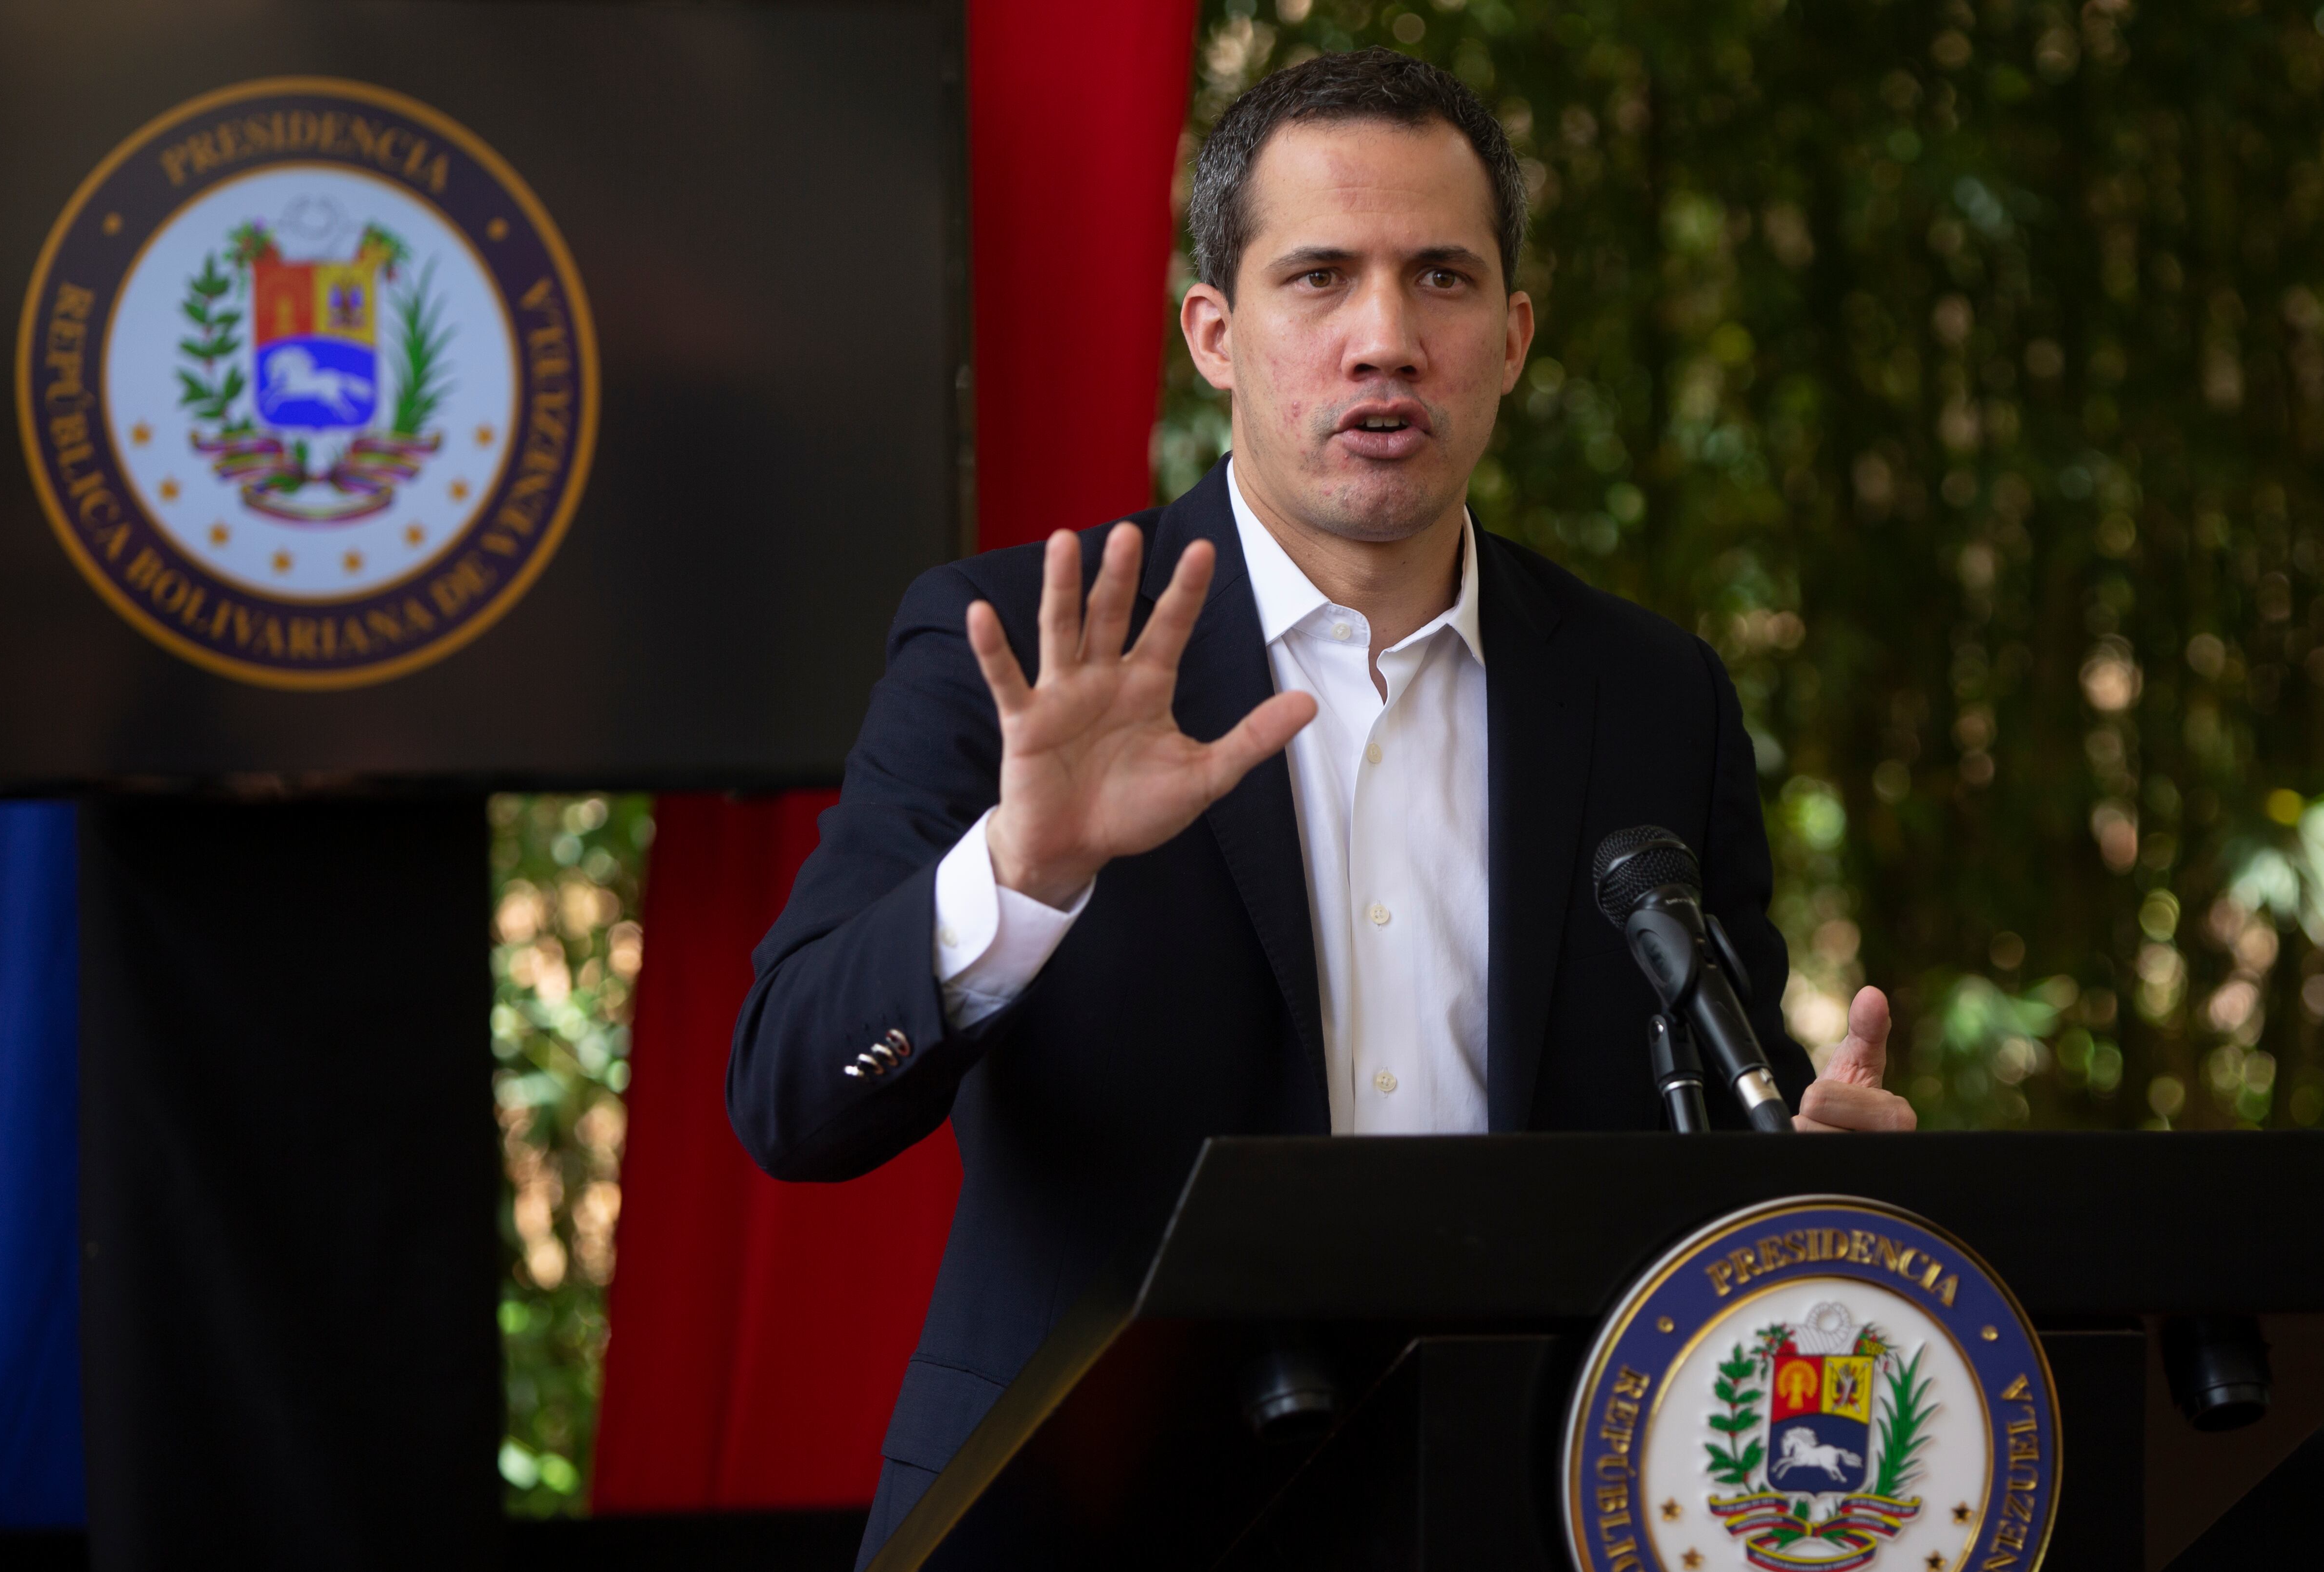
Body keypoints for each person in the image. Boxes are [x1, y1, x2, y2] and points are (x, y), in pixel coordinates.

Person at [726, 47, 1914, 1564]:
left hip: (1525, 1506)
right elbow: (791, 1096)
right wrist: (1023, 870)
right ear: (1215, 334)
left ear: (1514, 334)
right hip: (1094, 1517)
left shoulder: (1647, 694)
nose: (1385, 340)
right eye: (1317, 279)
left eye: (1441, 278)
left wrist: (1820, 1171)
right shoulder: (1026, 647)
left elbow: (1700, 1097)